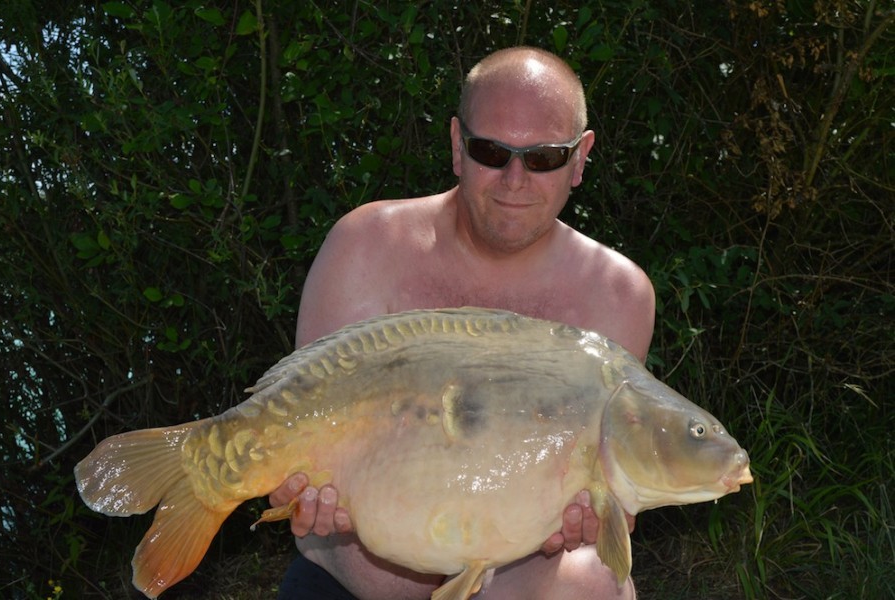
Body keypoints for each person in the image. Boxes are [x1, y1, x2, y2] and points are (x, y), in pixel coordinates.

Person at [269, 46, 655, 599]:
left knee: (600, 582)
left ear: (580, 158)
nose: (514, 179)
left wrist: (588, 517)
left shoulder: (617, 295)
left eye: (544, 157)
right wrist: (298, 488)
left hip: (508, 583)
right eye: (490, 151)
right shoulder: (366, 249)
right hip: (352, 584)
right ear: (456, 146)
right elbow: (298, 421)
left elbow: (585, 497)